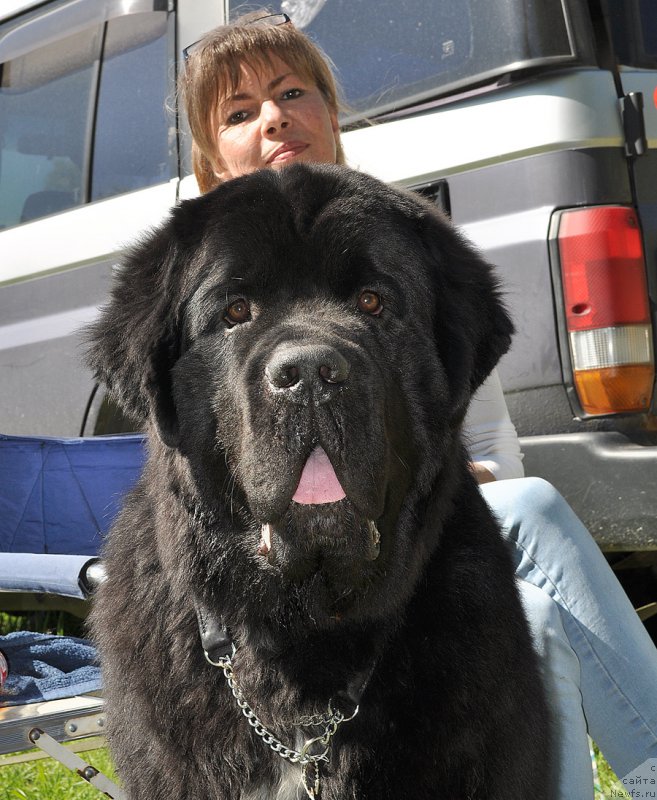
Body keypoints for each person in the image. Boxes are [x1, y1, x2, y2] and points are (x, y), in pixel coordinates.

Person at [178, 11, 657, 797]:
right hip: (283, 577)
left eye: (292, 90)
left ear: (330, 114)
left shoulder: (410, 255)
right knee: (529, 515)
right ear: (212, 162)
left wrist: (431, 485)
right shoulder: (194, 283)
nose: (273, 117)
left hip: (426, 552)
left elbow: (496, 449)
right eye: (238, 112)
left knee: (531, 598)